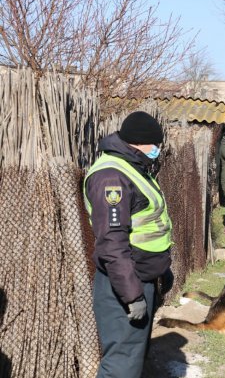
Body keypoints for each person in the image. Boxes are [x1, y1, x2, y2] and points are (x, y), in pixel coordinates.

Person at [83, 111, 173, 378]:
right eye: (155, 144)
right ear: (138, 142)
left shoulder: (134, 168)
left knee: (132, 358)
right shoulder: (112, 177)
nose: (158, 150)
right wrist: (132, 295)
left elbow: (148, 226)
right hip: (122, 285)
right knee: (121, 364)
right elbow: (112, 243)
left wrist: (161, 269)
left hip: (139, 277)